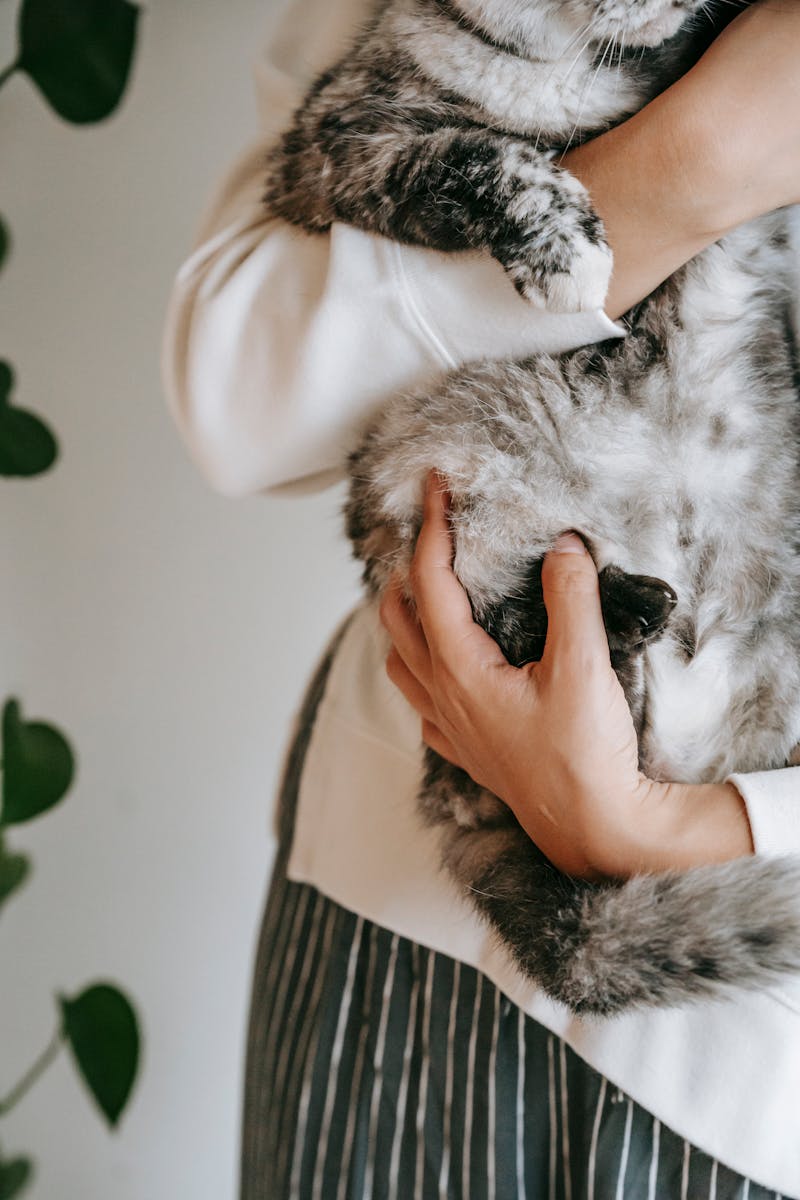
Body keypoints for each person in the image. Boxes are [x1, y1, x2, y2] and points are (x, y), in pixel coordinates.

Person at [163, 1, 800, 1196]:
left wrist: (683, 831)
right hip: (405, 926)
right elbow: (236, 398)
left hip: (754, 1059)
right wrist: (697, 158)